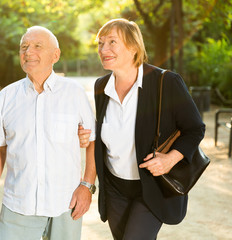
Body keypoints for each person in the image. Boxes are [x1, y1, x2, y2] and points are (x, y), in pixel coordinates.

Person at [80, 18, 205, 239]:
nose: (103, 49)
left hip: (151, 189)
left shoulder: (166, 82)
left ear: (133, 47)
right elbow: (105, 135)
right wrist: (86, 135)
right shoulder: (101, 86)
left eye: (112, 42)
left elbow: (195, 129)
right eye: (100, 43)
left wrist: (170, 159)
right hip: (115, 189)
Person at [0, 26, 96, 240]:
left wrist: (87, 186)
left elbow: (92, 142)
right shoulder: (7, 96)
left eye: (37, 46)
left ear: (56, 55)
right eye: (23, 47)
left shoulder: (75, 93)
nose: (28, 52)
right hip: (19, 204)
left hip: (66, 203)